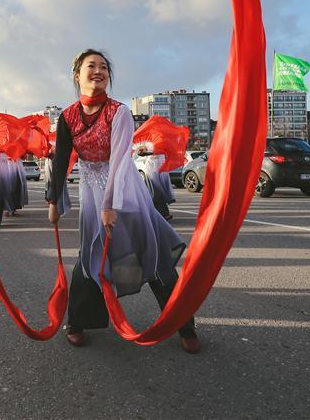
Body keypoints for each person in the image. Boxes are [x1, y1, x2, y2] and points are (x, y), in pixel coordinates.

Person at [46, 49, 199, 353]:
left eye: (104, 67)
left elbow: (118, 160)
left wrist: (109, 205)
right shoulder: (67, 116)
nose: (99, 71)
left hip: (126, 191)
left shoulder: (120, 112)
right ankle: (76, 321)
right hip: (90, 190)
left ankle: (183, 324)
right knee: (90, 256)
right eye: (91, 66)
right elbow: (62, 158)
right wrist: (54, 200)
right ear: (77, 75)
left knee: (152, 253)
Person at [136, 146, 175, 222]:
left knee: (156, 191)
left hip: (155, 169)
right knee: (155, 192)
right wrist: (142, 152)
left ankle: (162, 214)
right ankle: (162, 214)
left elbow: (156, 152)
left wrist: (143, 153)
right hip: (155, 168)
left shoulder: (159, 142)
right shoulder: (152, 141)